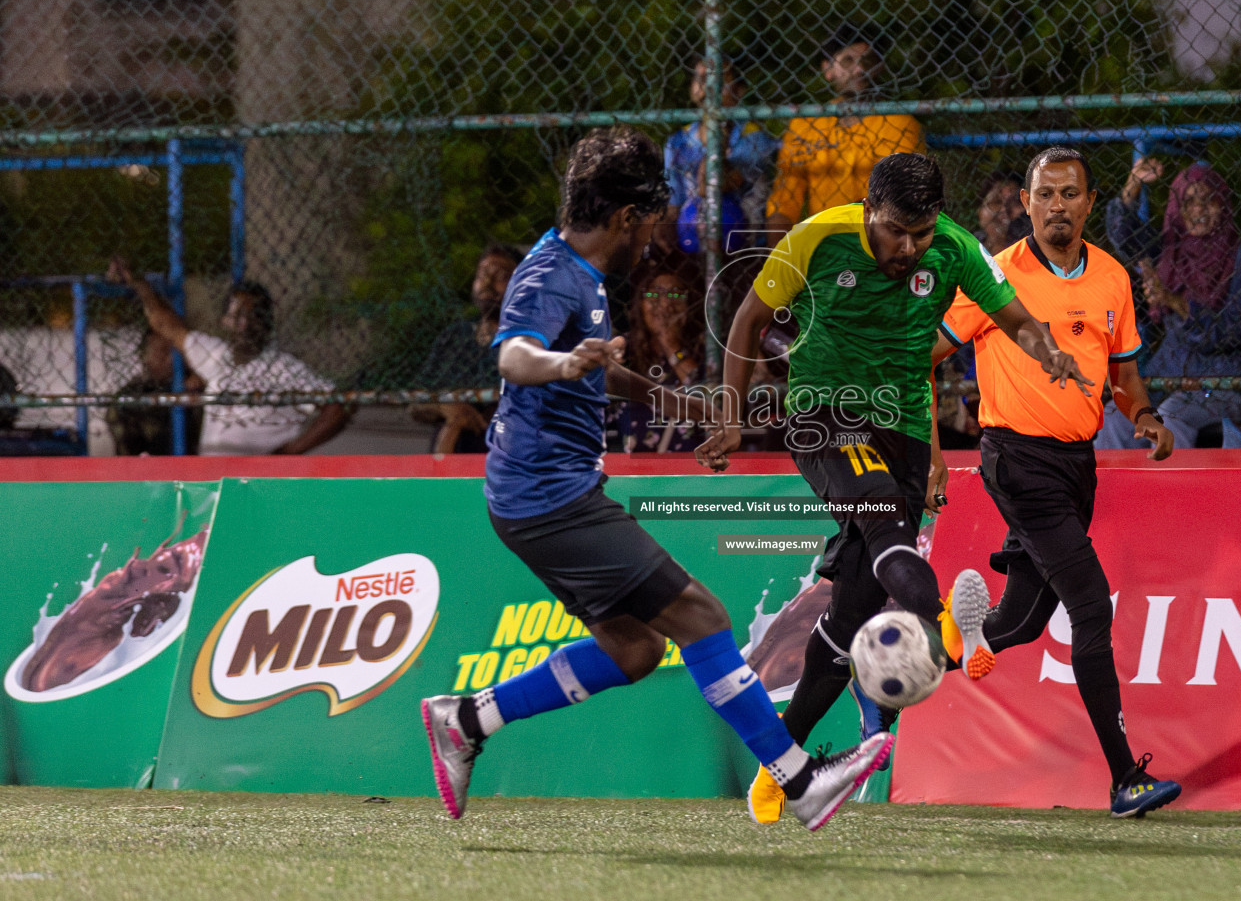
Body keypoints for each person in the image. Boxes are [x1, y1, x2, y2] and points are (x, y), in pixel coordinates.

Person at [419, 127, 891, 831]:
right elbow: (516, 358)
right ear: (625, 218)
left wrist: (677, 403)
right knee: (702, 617)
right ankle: (799, 782)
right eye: (652, 217)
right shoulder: (549, 276)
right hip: (548, 500)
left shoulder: (580, 273)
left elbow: (598, 367)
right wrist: (560, 364)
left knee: (634, 650)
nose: (657, 231)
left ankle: (467, 718)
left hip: (542, 497)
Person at [697, 152, 1093, 823]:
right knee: (883, 524)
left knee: (849, 612)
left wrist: (1047, 349)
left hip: (905, 430)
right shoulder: (819, 237)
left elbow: (1015, 317)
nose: (907, 249)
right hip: (825, 413)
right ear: (868, 211)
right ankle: (944, 630)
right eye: (893, 232)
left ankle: (780, 763)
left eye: (921, 233)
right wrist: (733, 419)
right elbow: (745, 322)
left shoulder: (958, 250)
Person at [933, 146, 1183, 819]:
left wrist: (1146, 416)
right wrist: (921, 443)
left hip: (1078, 466)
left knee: (1017, 621)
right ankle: (1125, 778)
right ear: (1026, 201)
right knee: (1092, 606)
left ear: (1089, 202)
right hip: (1015, 460)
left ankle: (916, 655)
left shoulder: (1110, 278)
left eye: (1070, 194)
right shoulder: (994, 276)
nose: (1057, 206)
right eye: (1045, 194)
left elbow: (1124, 373)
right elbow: (924, 351)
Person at [107, 260, 350, 455]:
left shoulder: (283, 368)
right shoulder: (216, 354)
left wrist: (290, 451)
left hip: (256, 481)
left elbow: (340, 407)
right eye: (236, 316)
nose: (243, 325)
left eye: (252, 316)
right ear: (225, 321)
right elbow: (164, 323)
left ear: (266, 323)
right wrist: (138, 282)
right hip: (213, 476)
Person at [1098, 161, 1241, 449]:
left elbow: (1232, 333)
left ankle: (1172, 495)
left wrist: (1173, 301)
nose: (1198, 210)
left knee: (1169, 418)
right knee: (1113, 416)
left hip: (1221, 383)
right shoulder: (1171, 250)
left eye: (1208, 200)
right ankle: (1113, 495)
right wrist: (1132, 183)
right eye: (1188, 202)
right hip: (1168, 376)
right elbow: (1124, 236)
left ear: (1223, 205)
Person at [764, 25, 925, 239]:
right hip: (822, 243)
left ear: (880, 67)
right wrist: (781, 261)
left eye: (868, 62)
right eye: (848, 61)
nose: (859, 70)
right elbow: (784, 202)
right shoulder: (805, 125)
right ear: (828, 70)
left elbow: (896, 202)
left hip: (877, 244)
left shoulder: (900, 123)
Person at [410, 244, 522, 453]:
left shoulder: (529, 341)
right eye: (481, 276)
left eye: (501, 276)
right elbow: (416, 402)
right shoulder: (457, 336)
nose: (487, 285)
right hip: (451, 458)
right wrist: (446, 407)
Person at [663, 57, 779, 254]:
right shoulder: (677, 142)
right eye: (700, 78)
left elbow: (709, 185)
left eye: (717, 80)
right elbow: (673, 205)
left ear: (739, 91)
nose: (706, 86)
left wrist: (718, 138)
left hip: (747, 245)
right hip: (692, 237)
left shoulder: (754, 139)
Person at [615, 256, 708, 453]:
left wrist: (672, 346)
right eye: (655, 295)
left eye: (676, 295)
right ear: (640, 304)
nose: (665, 304)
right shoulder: (627, 349)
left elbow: (705, 393)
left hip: (692, 463)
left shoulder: (704, 348)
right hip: (636, 467)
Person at [107, 328, 206, 456]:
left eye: (176, 353)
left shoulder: (196, 382)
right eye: (163, 352)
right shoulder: (133, 394)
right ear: (146, 355)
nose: (171, 360)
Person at [976, 170, 1028, 254]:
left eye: (1014, 203)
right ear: (980, 209)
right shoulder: (971, 245)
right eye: (996, 202)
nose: (1003, 211)